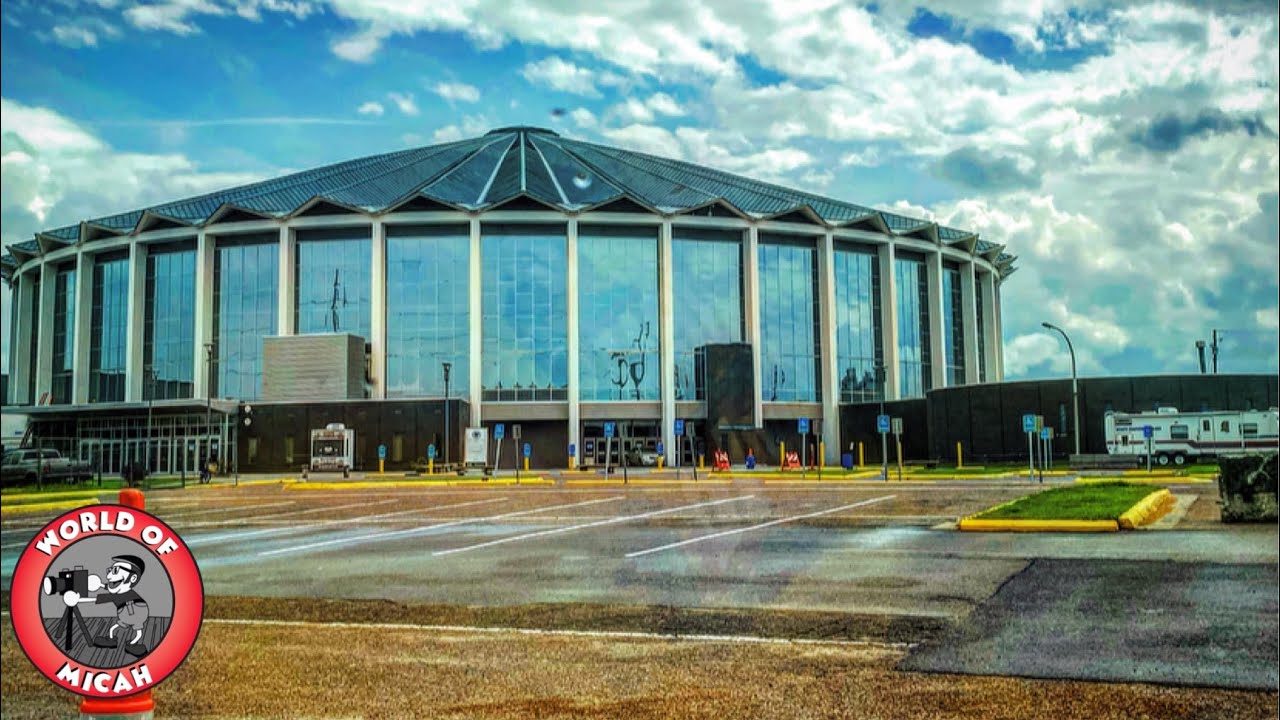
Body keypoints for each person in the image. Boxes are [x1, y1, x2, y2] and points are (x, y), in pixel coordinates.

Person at [62, 554, 151, 658]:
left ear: (133, 578)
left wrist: (79, 600)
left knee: (135, 631)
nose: (109, 576)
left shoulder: (120, 594)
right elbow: (108, 587)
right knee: (120, 628)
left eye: (116, 570)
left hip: (133, 612)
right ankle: (119, 642)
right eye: (110, 570)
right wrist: (99, 584)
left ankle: (128, 644)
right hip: (129, 614)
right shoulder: (118, 591)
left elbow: (98, 598)